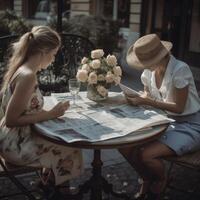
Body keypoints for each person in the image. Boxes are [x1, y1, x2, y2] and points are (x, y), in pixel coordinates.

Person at [0, 26, 83, 198]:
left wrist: (52, 113)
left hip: (16, 137)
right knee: (70, 147)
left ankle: (49, 182)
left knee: (63, 137)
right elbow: (11, 119)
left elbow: (26, 109)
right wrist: (51, 114)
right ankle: (61, 192)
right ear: (43, 51)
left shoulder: (24, 69)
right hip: (15, 145)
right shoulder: (27, 75)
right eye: (53, 54)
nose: (53, 60)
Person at [119, 34, 200, 200]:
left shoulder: (180, 70)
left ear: (159, 56)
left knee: (146, 155)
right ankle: (148, 178)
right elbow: (148, 95)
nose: (143, 66)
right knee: (124, 146)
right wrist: (137, 98)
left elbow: (178, 108)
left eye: (146, 63)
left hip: (189, 125)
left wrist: (148, 101)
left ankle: (161, 179)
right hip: (162, 122)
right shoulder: (149, 72)